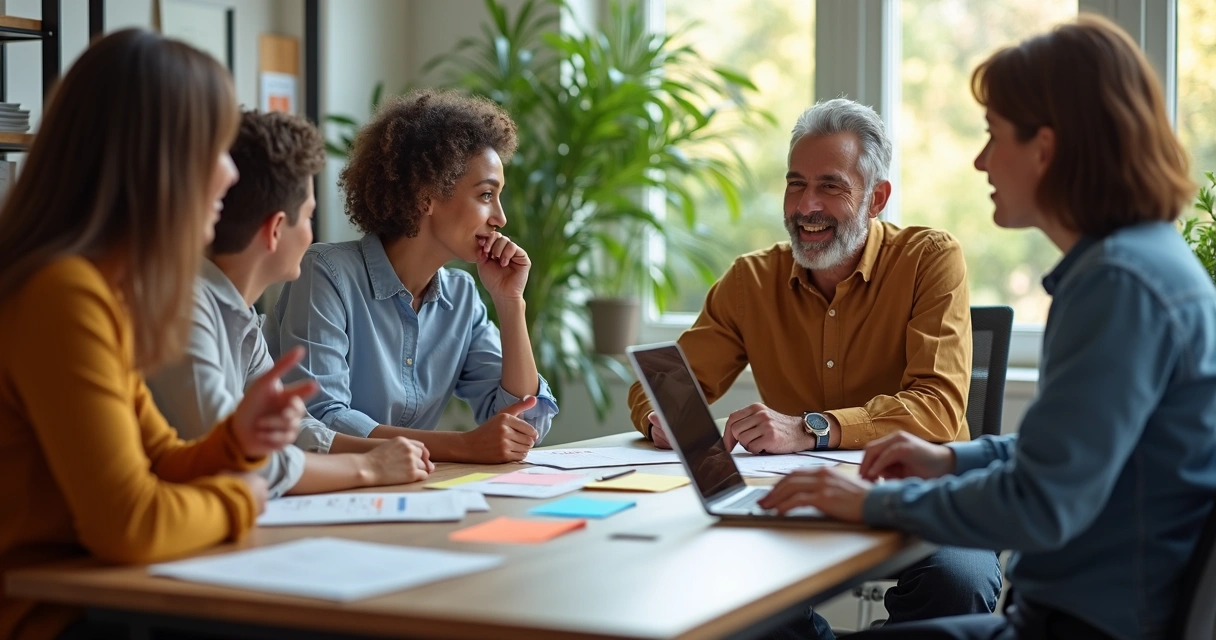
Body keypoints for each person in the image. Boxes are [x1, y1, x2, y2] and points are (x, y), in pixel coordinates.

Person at [759, 15, 1216, 640]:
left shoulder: (1119, 286)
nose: (981, 161)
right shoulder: (1139, 262)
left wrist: (869, 501)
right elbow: (1058, 453)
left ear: (1045, 149)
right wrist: (949, 458)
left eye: (993, 135)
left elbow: (1040, 502)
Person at [627, 98, 998, 637]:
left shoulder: (929, 258)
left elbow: (937, 409)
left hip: (921, 498)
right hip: (790, 501)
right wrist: (662, 417)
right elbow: (662, 383)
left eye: (830, 186)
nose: (807, 206)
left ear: (876, 198)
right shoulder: (751, 279)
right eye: (795, 184)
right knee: (720, 583)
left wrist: (810, 429)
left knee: (958, 581)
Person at [0, 29, 315, 639]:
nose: (229, 174)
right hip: (51, 620)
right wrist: (242, 497)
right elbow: (130, 524)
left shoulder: (94, 292)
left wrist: (237, 442)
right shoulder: (62, 295)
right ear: (159, 165)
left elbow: (162, 460)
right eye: (215, 148)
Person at [147, 109, 434, 498]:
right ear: (276, 229)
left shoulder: (241, 318)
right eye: (309, 217)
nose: (311, 234)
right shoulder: (183, 311)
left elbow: (295, 430)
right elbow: (228, 456)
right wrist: (369, 467)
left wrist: (385, 452)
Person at [267, 89, 558, 464]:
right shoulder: (326, 274)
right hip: (320, 487)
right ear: (427, 196)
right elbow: (322, 420)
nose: (500, 218)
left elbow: (527, 422)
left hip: (410, 487)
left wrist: (510, 302)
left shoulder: (462, 297)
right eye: (486, 195)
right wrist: (461, 446)